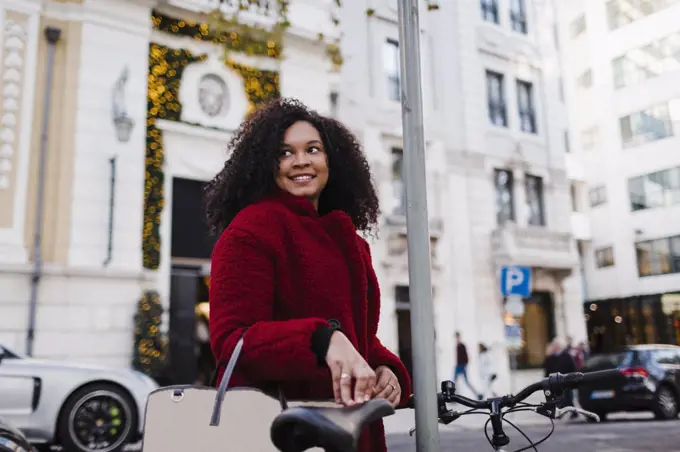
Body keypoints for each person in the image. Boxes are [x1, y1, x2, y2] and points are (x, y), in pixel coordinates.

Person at [204, 98, 411, 452]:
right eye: (285, 153)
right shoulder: (250, 231)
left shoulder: (351, 242)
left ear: (331, 160)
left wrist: (384, 369)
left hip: (352, 428)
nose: (301, 161)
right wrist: (321, 339)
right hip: (279, 431)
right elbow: (233, 341)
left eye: (312, 149)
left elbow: (357, 337)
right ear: (267, 165)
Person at [454, 332, 481, 399]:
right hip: (458, 366)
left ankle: (478, 394)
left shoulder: (462, 345)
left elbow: (465, 356)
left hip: (461, 366)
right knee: (455, 382)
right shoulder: (457, 345)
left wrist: (465, 364)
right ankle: (454, 396)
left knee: (463, 382)